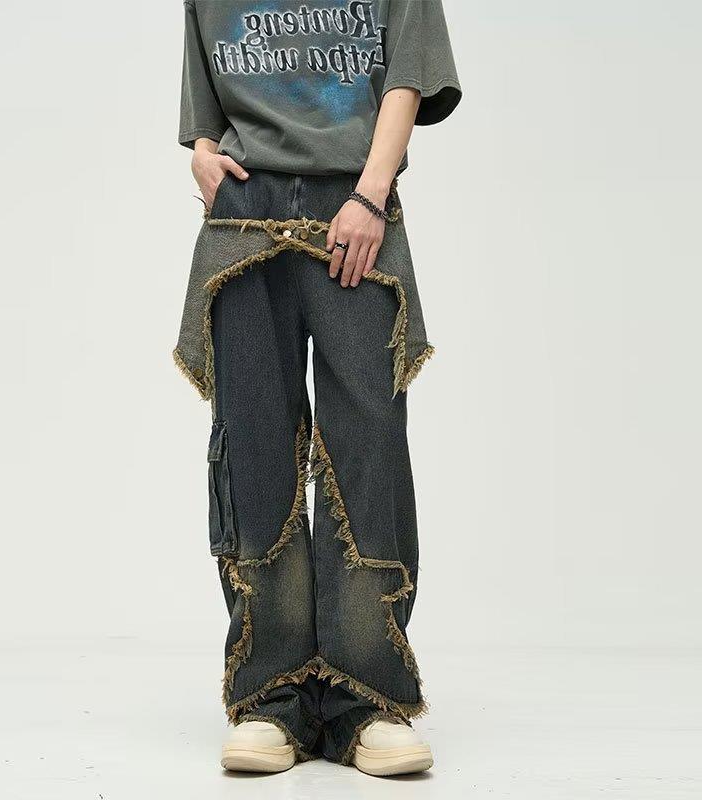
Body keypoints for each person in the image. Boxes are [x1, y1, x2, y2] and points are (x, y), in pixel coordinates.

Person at [173, 0, 461, 776]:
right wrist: (204, 154)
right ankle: (270, 696)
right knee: (253, 444)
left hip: (354, 207)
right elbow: (205, 91)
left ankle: (366, 697)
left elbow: (406, 74)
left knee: (368, 442)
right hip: (244, 215)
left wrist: (370, 194)